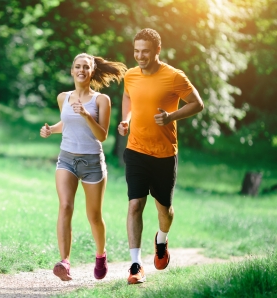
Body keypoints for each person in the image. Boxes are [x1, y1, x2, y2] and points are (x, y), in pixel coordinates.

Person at [117, 28, 204, 284]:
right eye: (136, 51)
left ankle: (162, 240)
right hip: (136, 149)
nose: (140, 56)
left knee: (164, 209)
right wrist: (126, 119)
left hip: (165, 154)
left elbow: (197, 104)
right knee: (135, 204)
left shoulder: (174, 77)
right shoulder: (130, 75)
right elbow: (127, 97)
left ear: (157, 50)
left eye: (145, 51)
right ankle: (135, 265)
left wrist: (170, 117)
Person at [40, 53, 127, 281]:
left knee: (94, 216)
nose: (81, 70)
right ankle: (65, 262)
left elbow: (103, 135)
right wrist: (51, 130)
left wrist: (87, 115)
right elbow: (67, 123)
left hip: (92, 163)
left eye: (85, 67)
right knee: (66, 206)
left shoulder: (101, 100)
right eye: (77, 66)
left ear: (92, 71)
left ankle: (100, 255)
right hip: (66, 158)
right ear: (72, 71)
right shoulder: (63, 97)